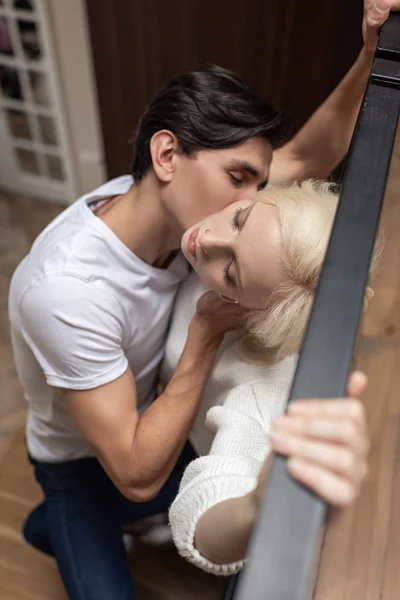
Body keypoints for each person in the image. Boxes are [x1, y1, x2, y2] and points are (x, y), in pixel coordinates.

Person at [7, 2, 394, 598]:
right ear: (166, 156)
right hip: (83, 465)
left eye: (253, 190)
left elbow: (312, 157)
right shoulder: (64, 290)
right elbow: (136, 473)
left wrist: (371, 52)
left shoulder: (189, 210)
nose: (222, 232)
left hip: (149, 423)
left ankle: (79, 528)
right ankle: (62, 521)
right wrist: (206, 334)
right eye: (241, 180)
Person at [165, 180, 379, 574]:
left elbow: (206, 509)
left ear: (251, 310)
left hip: (180, 454)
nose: (207, 240)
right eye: (239, 219)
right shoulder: (235, 213)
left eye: (229, 271)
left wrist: (256, 504)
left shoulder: (258, 389)